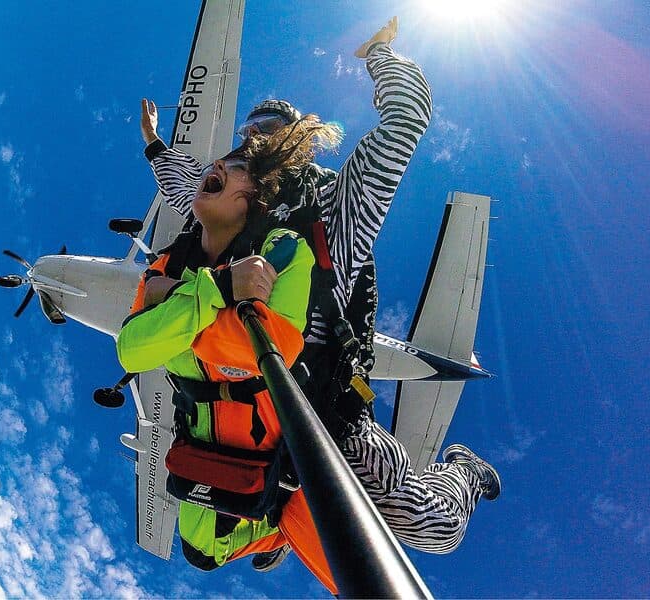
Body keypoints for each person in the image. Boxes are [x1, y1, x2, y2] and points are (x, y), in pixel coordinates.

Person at [138, 15, 502, 574]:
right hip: (240, 399)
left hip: (325, 410)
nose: (254, 136)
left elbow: (406, 119)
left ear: (301, 141)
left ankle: (463, 469)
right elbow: (186, 185)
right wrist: (156, 147)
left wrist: (380, 55)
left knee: (436, 526)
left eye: (271, 127)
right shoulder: (233, 202)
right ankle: (274, 532)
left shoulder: (336, 209)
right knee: (201, 538)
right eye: (250, 127)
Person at [118, 117, 345, 594]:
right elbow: (131, 352)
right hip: (202, 444)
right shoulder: (165, 262)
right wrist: (220, 288)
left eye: (237, 166)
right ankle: (269, 537)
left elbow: (264, 350)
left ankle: (281, 530)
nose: (219, 163)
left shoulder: (285, 249)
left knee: (354, 569)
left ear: (255, 198)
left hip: (284, 461)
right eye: (223, 160)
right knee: (199, 553)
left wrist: (174, 310)